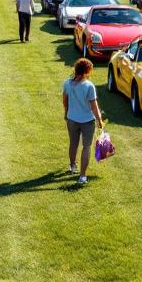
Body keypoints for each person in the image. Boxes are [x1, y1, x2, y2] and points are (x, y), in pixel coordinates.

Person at [63, 57, 105, 186]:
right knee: (86, 147)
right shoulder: (89, 86)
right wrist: (100, 120)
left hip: (71, 119)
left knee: (73, 144)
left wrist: (66, 114)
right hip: (87, 121)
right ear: (87, 71)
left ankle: (72, 167)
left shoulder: (66, 83)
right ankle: (82, 176)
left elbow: (65, 101)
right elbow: (94, 106)